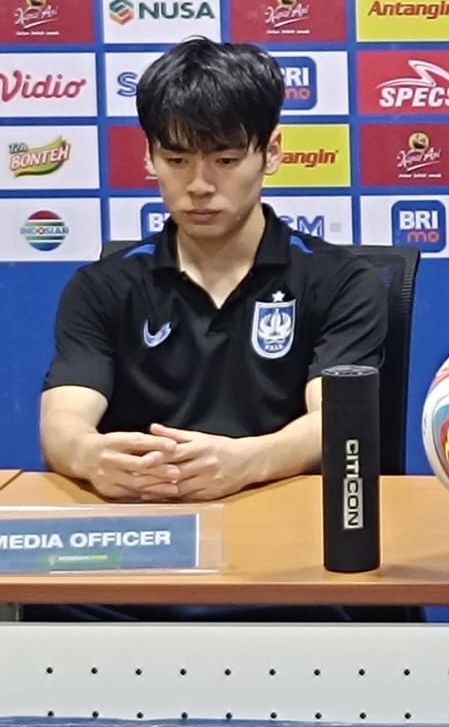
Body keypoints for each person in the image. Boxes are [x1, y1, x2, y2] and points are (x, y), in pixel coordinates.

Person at [32, 38, 386, 621]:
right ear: (149, 157)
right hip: (145, 555)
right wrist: (93, 457)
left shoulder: (342, 282)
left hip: (289, 557)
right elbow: (63, 422)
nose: (199, 185)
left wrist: (247, 461)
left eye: (224, 159)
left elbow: (337, 423)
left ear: (270, 152)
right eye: (176, 160)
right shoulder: (102, 286)